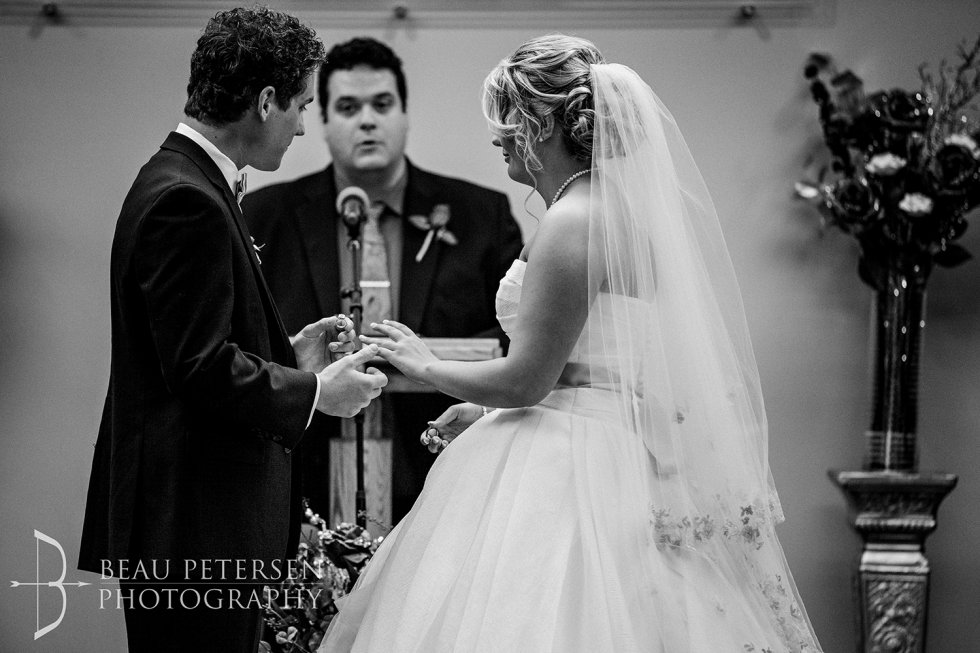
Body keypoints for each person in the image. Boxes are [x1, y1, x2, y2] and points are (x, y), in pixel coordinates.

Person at [319, 34, 824, 652]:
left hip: (564, 469)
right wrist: (484, 411)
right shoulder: (614, 213)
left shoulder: (572, 221)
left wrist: (426, 363)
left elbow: (526, 380)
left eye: (507, 116)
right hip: (608, 446)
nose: (498, 134)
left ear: (545, 123)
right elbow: (591, 369)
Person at [77, 8, 387, 652]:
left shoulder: (184, 180)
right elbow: (198, 368)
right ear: (266, 102)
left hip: (195, 520)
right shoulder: (185, 198)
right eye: (301, 106)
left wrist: (289, 355)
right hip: (195, 525)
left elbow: (189, 346)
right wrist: (316, 393)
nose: (302, 126)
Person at [243, 37, 523, 523]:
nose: (367, 120)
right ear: (323, 121)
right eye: (348, 107)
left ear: (405, 115)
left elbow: (514, 341)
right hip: (303, 474)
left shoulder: (481, 214)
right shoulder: (265, 216)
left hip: (441, 466)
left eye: (382, 104)